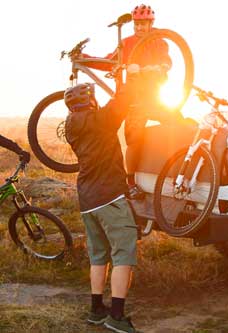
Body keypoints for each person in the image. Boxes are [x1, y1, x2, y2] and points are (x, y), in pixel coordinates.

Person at [81, 4, 180, 200]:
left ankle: (177, 172)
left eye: (144, 24)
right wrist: (84, 59)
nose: (140, 28)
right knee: (134, 139)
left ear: (151, 24)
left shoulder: (160, 41)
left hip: (156, 96)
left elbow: (166, 62)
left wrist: (157, 67)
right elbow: (108, 61)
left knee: (179, 122)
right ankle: (132, 183)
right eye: (137, 24)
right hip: (135, 99)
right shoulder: (127, 43)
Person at [64, 83, 138, 333]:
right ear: (90, 101)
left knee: (98, 257)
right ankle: (116, 316)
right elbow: (123, 100)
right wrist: (129, 76)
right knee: (123, 255)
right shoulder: (101, 119)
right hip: (110, 196)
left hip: (87, 199)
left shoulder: (71, 125)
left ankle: (96, 310)